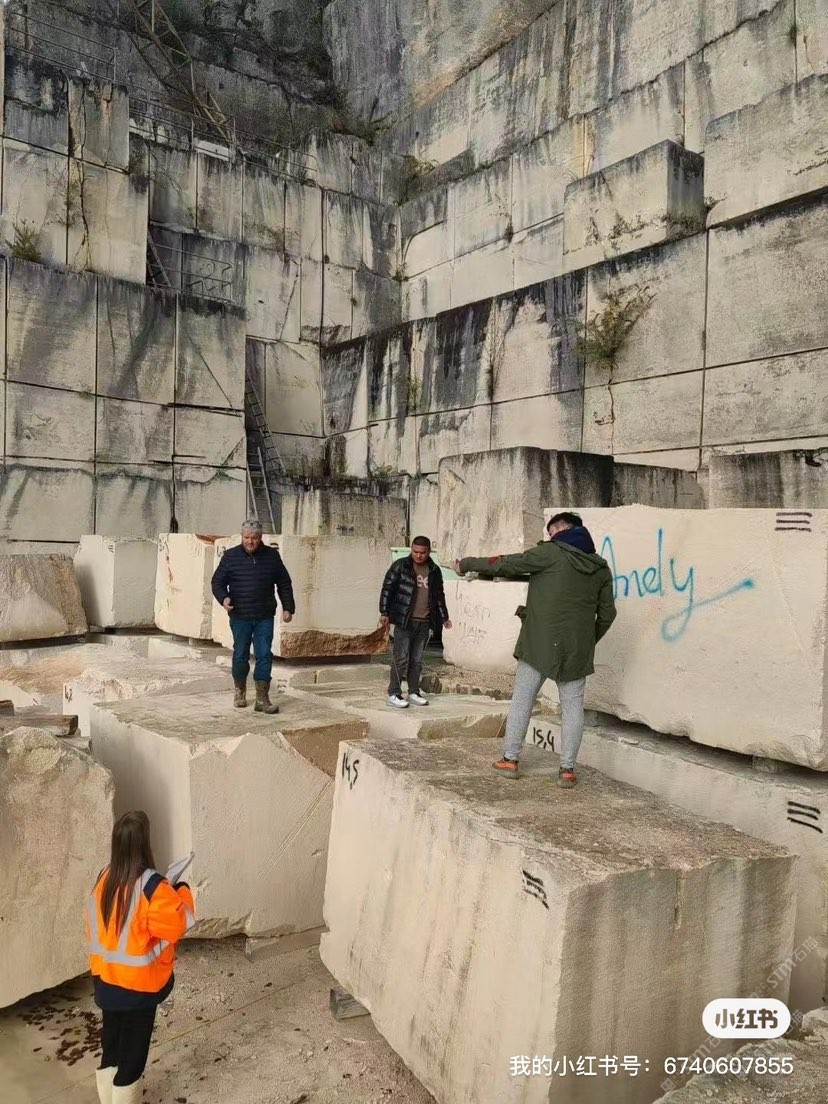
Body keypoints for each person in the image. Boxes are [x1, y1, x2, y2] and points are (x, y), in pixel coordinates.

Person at [455, 512, 616, 787]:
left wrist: (466, 563)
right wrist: (587, 641)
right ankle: (567, 770)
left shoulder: (550, 553)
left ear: (561, 529)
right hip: (576, 649)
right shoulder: (600, 567)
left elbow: (506, 564)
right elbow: (608, 614)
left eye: (551, 532)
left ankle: (510, 759)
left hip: (538, 644)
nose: (550, 537)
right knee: (573, 707)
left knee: (523, 699)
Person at [86, 811, 195, 1104]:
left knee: (111, 1049)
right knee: (132, 1061)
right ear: (144, 842)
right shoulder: (152, 887)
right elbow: (179, 923)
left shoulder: (104, 878)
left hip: (106, 981)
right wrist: (182, 890)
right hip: (138, 989)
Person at [211, 519, 295, 713]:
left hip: (264, 615)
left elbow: (284, 583)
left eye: (254, 538)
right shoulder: (231, 556)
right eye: (247, 537)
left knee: (264, 654)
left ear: (260, 537)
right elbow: (217, 582)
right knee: (241, 654)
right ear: (242, 537)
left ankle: (262, 698)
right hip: (240, 616)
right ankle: (239, 691)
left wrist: (288, 608)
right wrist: (224, 598)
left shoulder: (272, 556)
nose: (250, 542)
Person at [379, 536, 452, 708]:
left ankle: (413, 692)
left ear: (429, 552)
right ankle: (394, 693)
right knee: (401, 659)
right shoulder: (401, 566)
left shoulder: (434, 570)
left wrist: (444, 617)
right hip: (405, 621)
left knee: (417, 660)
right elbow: (387, 589)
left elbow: (439, 595)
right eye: (415, 551)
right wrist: (384, 613)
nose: (418, 555)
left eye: (422, 552)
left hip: (424, 622)